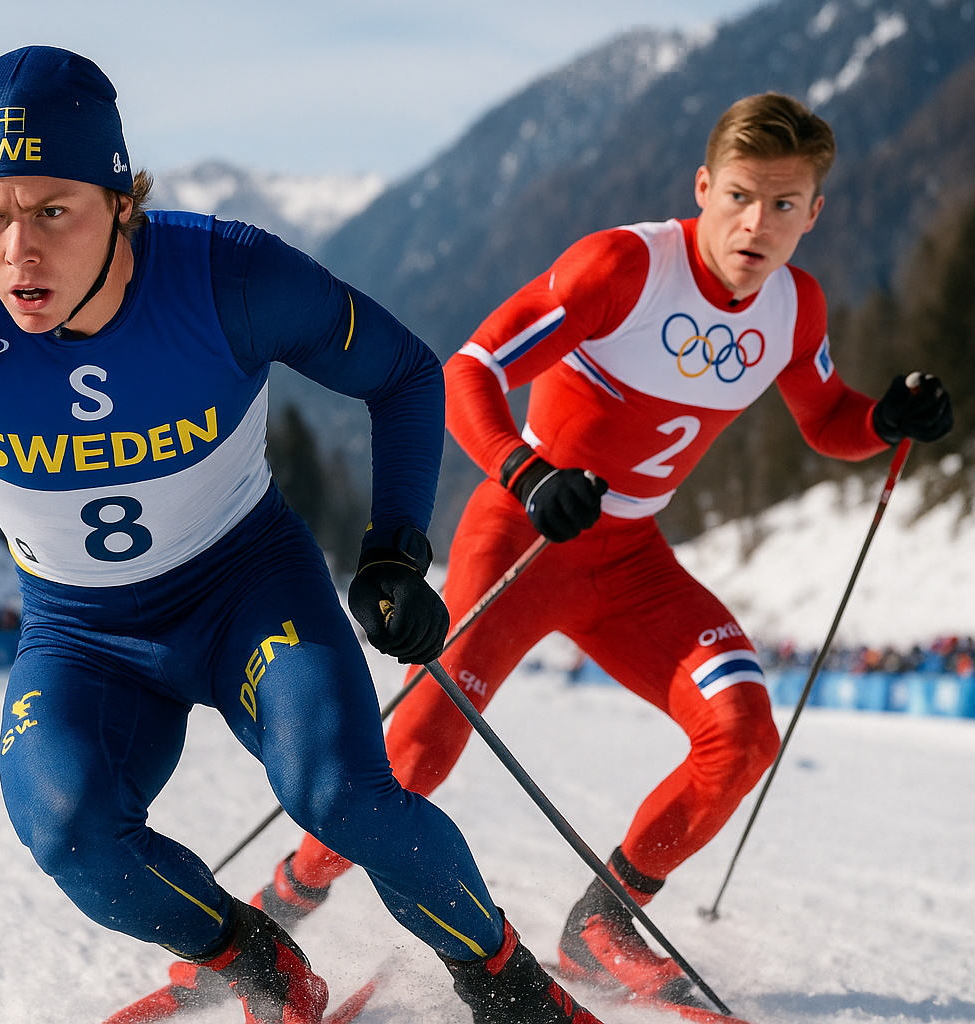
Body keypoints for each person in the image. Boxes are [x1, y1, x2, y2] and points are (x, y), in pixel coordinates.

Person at [0, 46, 607, 1024]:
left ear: (120, 200)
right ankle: (255, 957)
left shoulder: (226, 275)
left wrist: (394, 551)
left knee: (342, 793)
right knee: (68, 828)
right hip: (83, 632)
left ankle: (508, 985)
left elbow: (407, 373)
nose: (18, 252)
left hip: (250, 592)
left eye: (51, 211)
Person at [210, 92, 955, 1014]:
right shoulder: (624, 267)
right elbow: (469, 370)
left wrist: (886, 419)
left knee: (744, 732)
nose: (757, 224)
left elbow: (829, 418)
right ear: (703, 188)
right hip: (522, 535)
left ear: (815, 211)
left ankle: (604, 921)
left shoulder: (795, 308)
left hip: (631, 559)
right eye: (739, 197)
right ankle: (287, 899)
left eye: (785, 204)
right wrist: (525, 473)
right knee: (418, 753)